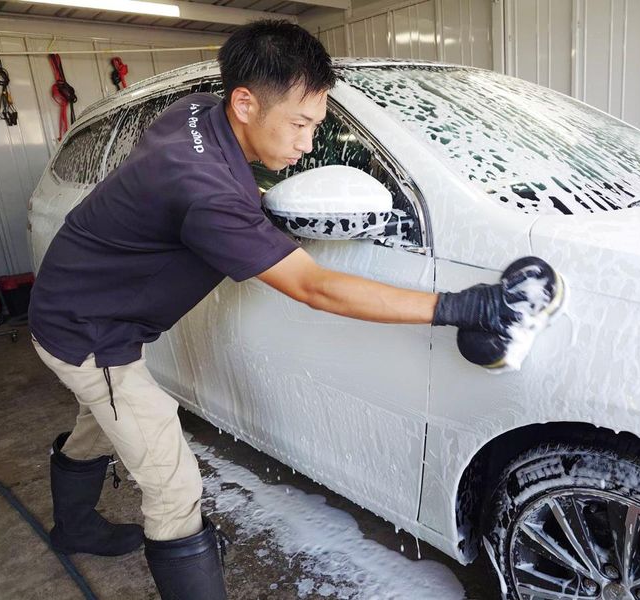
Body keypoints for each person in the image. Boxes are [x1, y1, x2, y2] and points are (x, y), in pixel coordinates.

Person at [28, 20, 563, 600]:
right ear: (244, 103)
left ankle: (74, 528)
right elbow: (315, 287)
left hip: (69, 302)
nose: (307, 144)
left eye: (316, 126)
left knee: (103, 419)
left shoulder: (194, 111)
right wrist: (463, 305)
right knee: (172, 482)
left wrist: (255, 197)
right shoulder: (206, 193)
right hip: (91, 334)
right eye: (300, 124)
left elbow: (207, 185)